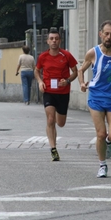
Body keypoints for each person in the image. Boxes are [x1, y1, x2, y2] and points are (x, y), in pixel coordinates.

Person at [78, 20, 111, 178]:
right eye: (106, 33)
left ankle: (109, 144)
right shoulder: (93, 53)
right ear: (100, 34)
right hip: (96, 97)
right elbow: (81, 70)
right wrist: (82, 83)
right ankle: (102, 165)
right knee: (101, 133)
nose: (109, 37)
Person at [34, 29, 78, 161]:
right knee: (50, 120)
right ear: (47, 41)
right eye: (51, 38)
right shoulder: (43, 57)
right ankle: (53, 148)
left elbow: (75, 71)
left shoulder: (66, 55)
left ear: (60, 41)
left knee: (61, 123)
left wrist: (68, 81)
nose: (54, 41)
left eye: (56, 38)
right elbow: (36, 71)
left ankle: (54, 142)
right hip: (48, 92)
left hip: (63, 93)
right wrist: (40, 82)